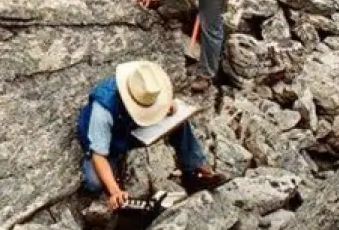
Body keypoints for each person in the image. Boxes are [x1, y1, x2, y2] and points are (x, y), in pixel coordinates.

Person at [76, 61, 229, 209]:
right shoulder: (103, 111)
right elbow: (99, 156)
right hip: (110, 140)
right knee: (94, 183)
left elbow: (170, 105)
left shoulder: (146, 85)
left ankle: (195, 169)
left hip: (131, 127)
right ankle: (116, 175)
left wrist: (166, 108)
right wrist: (115, 191)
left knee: (178, 122)